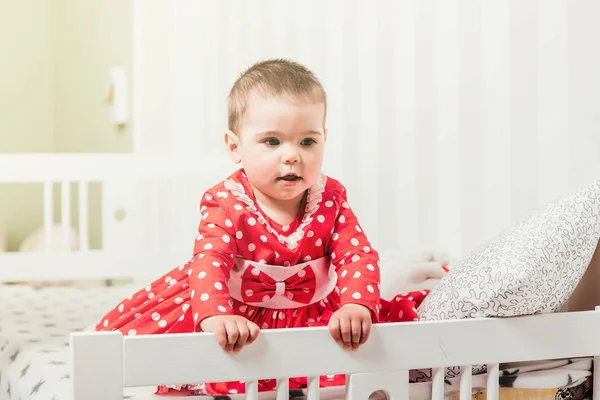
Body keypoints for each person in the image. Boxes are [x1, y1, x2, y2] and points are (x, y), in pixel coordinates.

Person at [96, 58, 443, 396]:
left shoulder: (331, 198)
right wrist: (217, 316)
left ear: (324, 138)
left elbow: (358, 256)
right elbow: (208, 260)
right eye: (272, 142)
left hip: (310, 315)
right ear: (235, 147)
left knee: (362, 355)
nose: (291, 155)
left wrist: (355, 305)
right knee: (193, 366)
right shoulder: (226, 202)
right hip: (237, 310)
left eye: (307, 141)